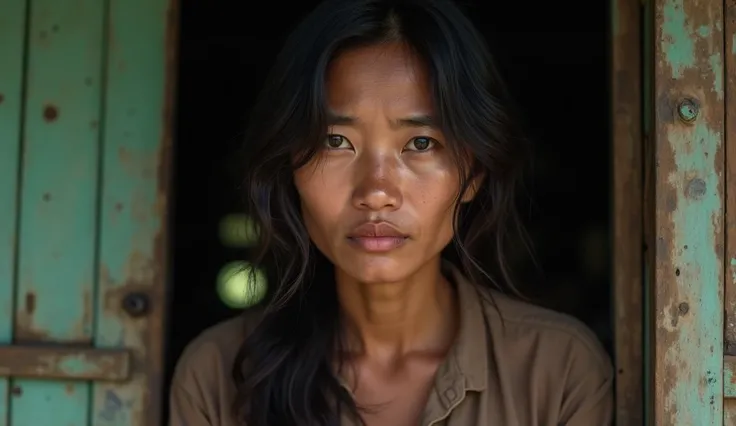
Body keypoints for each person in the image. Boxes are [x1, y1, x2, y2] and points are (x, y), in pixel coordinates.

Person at [168, 0, 614, 424]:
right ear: (290, 167)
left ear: (474, 173)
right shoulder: (218, 376)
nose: (377, 192)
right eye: (335, 141)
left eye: (420, 144)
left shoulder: (557, 371)